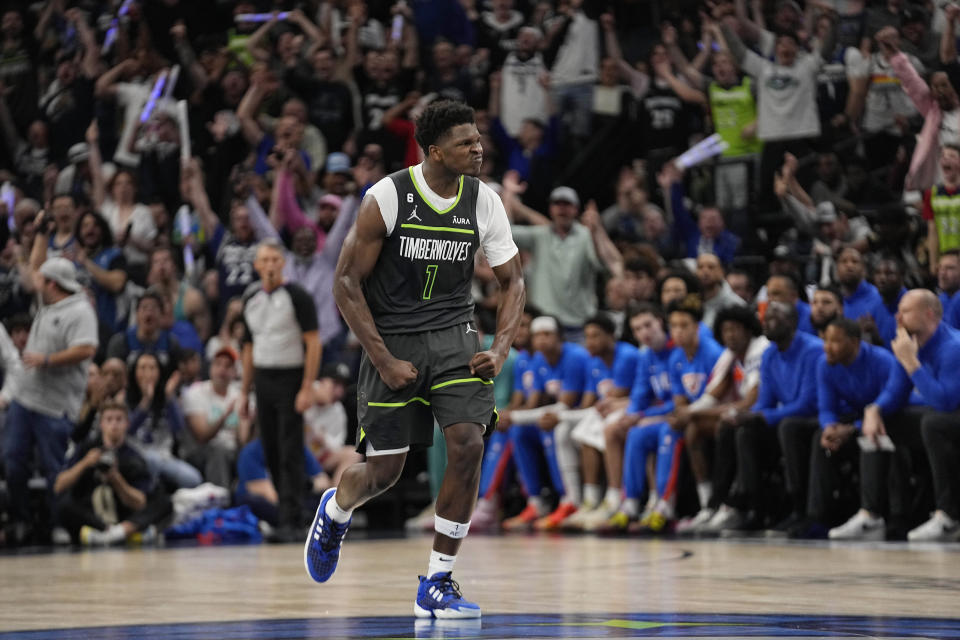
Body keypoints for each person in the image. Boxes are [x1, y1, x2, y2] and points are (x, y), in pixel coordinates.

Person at [304, 100, 524, 620]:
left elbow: (513, 282)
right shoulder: (387, 197)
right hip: (394, 337)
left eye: (478, 140)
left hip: (455, 335)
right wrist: (381, 360)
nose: (478, 148)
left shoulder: (484, 201)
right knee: (383, 472)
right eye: (466, 142)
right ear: (434, 151)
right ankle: (335, 511)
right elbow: (345, 283)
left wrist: (498, 347)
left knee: (468, 444)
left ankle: (439, 580)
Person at [3, 258, 97, 545]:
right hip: (25, 398)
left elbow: (86, 349)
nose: (35, 284)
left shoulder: (81, 311)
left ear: (53, 284)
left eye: (42, 280)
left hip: (56, 406)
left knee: (54, 467)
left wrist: (47, 360)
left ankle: (58, 524)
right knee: (12, 459)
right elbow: (32, 270)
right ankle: (21, 520)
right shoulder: (47, 303)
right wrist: (41, 233)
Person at [706, 301, 822, 532]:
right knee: (740, 429)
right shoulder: (769, 355)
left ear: (792, 322)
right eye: (765, 318)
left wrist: (764, 416)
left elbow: (808, 403)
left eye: (774, 318)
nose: (766, 323)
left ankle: (799, 508)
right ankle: (750, 506)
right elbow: (765, 401)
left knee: (787, 428)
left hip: (814, 418)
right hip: (786, 418)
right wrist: (747, 415)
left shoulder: (813, 350)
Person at [861, 290, 960, 541]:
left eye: (905, 311)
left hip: (950, 414)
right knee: (884, 422)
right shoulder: (907, 343)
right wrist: (874, 409)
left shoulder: (953, 347)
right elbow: (895, 392)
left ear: (928, 314)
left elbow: (945, 402)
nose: (897, 317)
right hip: (944, 417)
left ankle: (949, 517)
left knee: (934, 423)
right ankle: (873, 516)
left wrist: (911, 363)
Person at [240, 239, 321, 542]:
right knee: (271, 447)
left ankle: (293, 519)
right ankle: (287, 513)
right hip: (263, 378)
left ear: (283, 263)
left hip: (290, 376)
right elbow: (248, 348)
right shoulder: (250, 299)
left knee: (290, 448)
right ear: (257, 265)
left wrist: (307, 386)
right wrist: (244, 392)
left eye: (276, 259)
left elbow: (313, 341)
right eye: (266, 260)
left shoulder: (297, 296)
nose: (271, 265)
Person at [817, 318, 910, 540]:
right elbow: (825, 407)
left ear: (854, 342)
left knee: (875, 435)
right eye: (826, 340)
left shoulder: (882, 360)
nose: (827, 347)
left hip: (895, 417)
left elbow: (893, 404)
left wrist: (852, 428)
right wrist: (829, 428)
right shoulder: (825, 363)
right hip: (862, 420)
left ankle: (879, 516)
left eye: (835, 341)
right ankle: (816, 516)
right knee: (818, 439)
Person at [54, 401, 171, 545]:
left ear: (127, 424)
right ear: (101, 424)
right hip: (91, 514)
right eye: (109, 419)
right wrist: (85, 463)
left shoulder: (133, 457)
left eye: (118, 419)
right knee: (64, 504)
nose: (114, 425)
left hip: (122, 514)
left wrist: (116, 479)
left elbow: (140, 503)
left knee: (163, 502)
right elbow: (58, 486)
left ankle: (116, 533)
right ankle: (120, 533)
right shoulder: (87, 449)